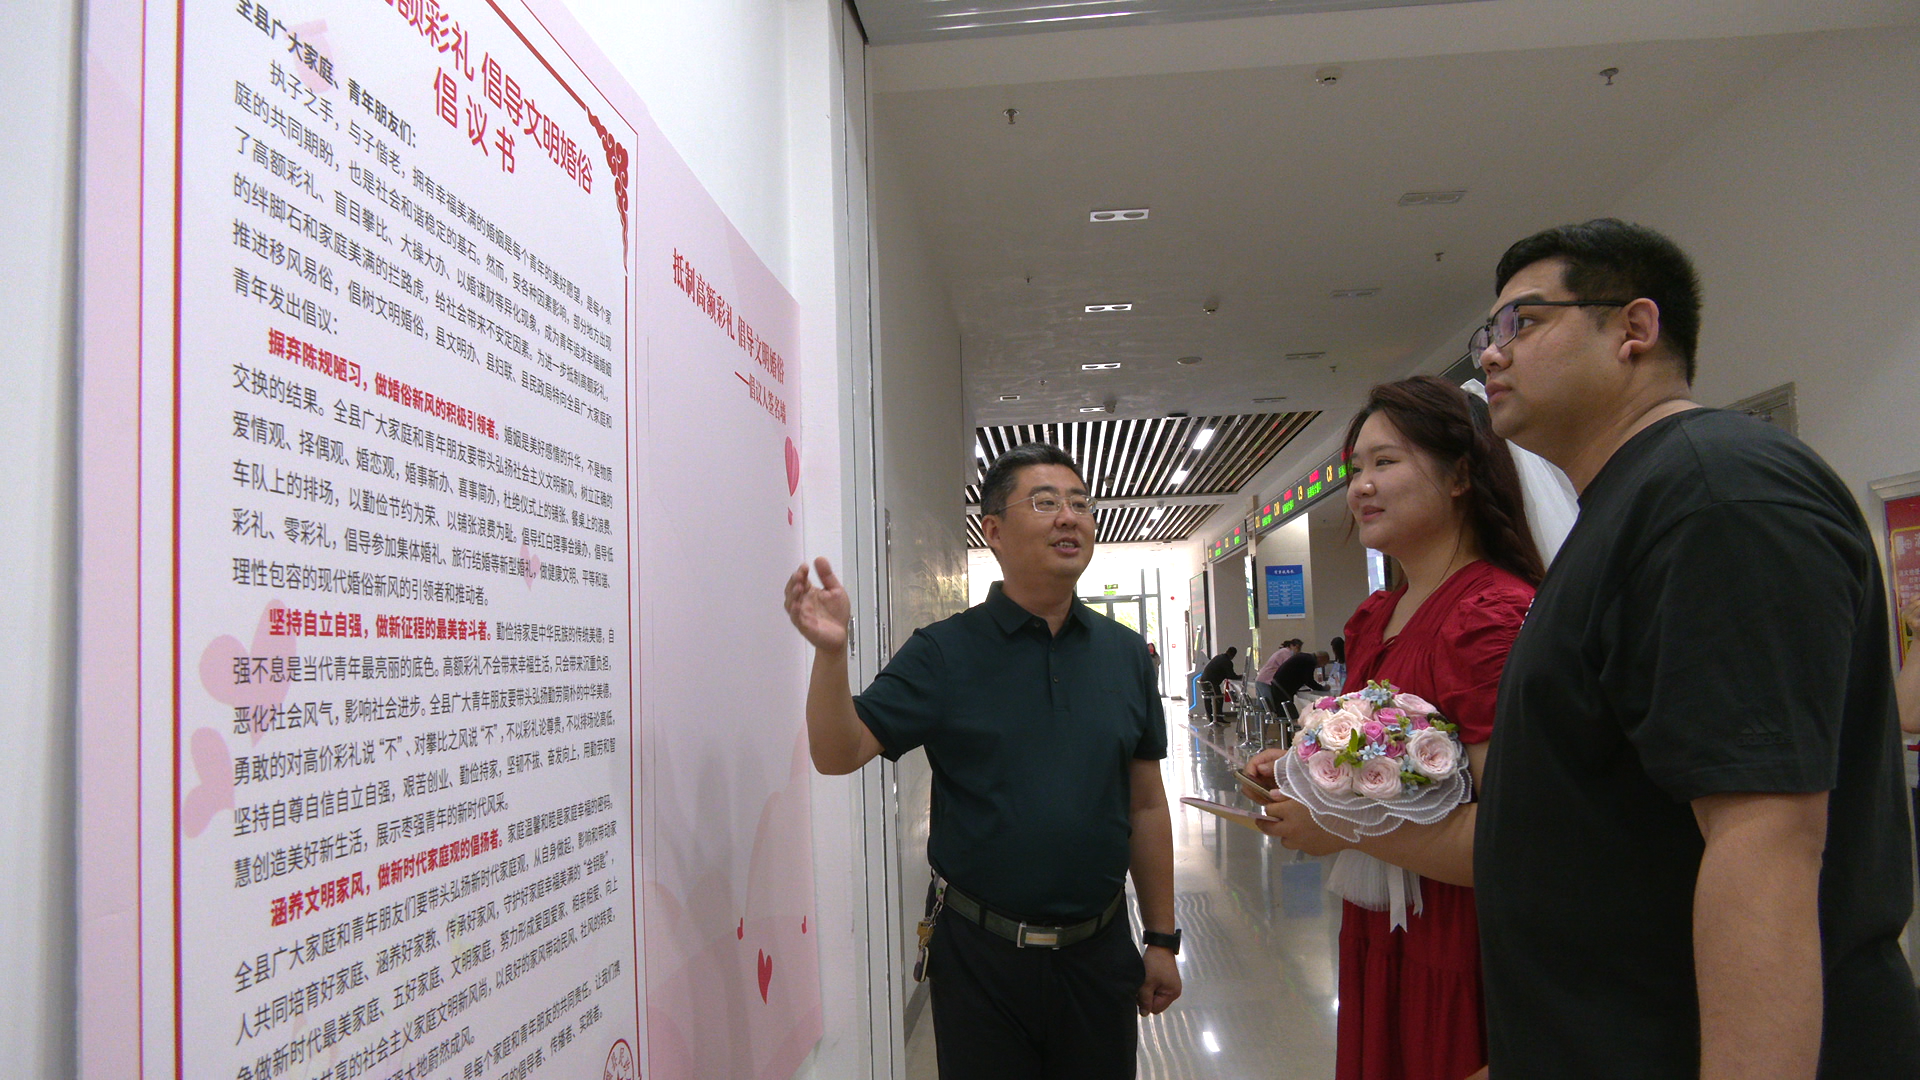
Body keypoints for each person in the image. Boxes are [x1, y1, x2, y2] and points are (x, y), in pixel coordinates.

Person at [1470, 219, 1920, 1077]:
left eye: (1522, 323)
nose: (1492, 354)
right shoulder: (1631, 505)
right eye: (1487, 335)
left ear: (1634, 328)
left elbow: (1766, 838)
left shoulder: (1718, 495)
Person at [783, 442, 1181, 1079]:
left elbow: (1147, 805)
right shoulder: (944, 652)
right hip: (980, 957)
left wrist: (1160, 938)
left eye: (1080, 504)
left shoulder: (1127, 654)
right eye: (1045, 502)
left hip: (1100, 951)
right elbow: (838, 752)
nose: (1069, 517)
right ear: (993, 531)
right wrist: (831, 656)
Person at [1248, 375, 1544, 1080]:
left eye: (1385, 462)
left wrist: (1336, 821)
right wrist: (1308, 772)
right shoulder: (1378, 617)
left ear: (1461, 475)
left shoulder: (1490, 618)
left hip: (1461, 939)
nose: (1361, 487)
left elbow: (1514, 842)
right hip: (1384, 923)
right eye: (1355, 469)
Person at [1199, 646, 1241, 724]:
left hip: (1203, 681)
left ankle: (1211, 718)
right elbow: (1231, 676)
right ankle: (1218, 718)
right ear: (1233, 655)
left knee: (1208, 699)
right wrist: (1241, 677)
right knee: (1219, 698)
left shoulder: (1219, 657)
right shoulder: (1227, 662)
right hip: (1212, 683)